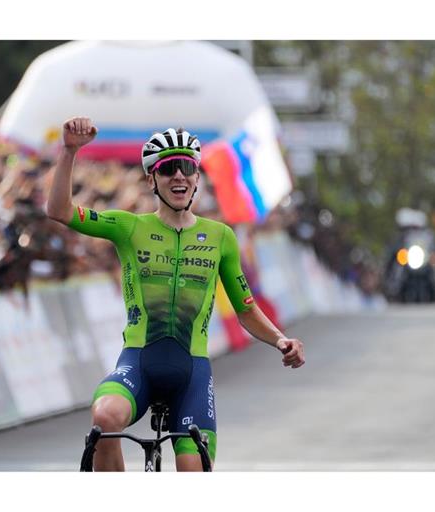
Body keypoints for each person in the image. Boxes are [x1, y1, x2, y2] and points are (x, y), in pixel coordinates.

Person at [56, 117, 307, 471]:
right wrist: (69, 151)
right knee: (105, 418)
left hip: (191, 373)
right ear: (152, 180)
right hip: (138, 364)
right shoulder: (130, 227)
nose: (179, 176)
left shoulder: (221, 236)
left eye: (187, 167)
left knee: (191, 472)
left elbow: (247, 310)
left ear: (197, 178)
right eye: (168, 168)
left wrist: (281, 340)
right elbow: (59, 211)